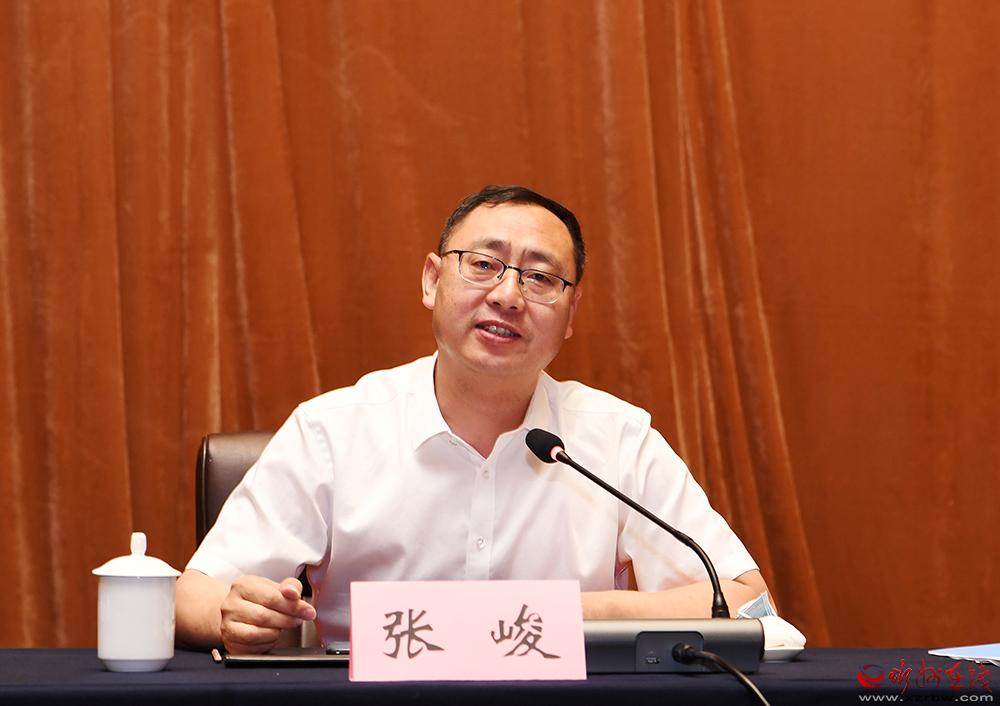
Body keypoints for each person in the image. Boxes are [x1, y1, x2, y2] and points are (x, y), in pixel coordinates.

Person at [176, 185, 769, 654]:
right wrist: (233, 613)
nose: (508, 295)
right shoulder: (333, 430)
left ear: (571, 314)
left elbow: (744, 601)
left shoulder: (615, 437)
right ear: (432, 280)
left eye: (541, 278)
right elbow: (192, 594)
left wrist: (568, 614)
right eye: (484, 264)